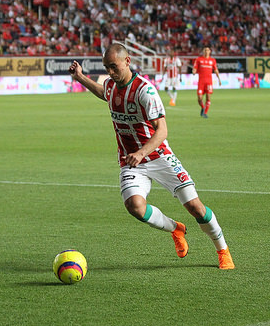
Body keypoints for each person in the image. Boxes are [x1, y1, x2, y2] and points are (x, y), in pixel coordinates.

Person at [69, 43, 234, 270]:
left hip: (158, 156)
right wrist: (80, 77)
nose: (110, 72)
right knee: (135, 206)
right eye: (107, 68)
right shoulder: (111, 86)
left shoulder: (145, 91)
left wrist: (141, 152)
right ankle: (175, 229)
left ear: (127, 61)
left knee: (195, 207)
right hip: (131, 160)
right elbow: (103, 92)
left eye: (114, 67)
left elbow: (162, 130)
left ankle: (222, 249)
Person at [192, 46, 221, 118]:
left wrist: (219, 79)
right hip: (201, 82)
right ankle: (203, 107)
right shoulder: (199, 59)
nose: (206, 51)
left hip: (209, 82)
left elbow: (216, 70)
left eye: (207, 50)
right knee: (199, 98)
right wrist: (194, 71)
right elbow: (195, 68)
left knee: (208, 98)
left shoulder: (212, 60)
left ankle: (205, 113)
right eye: (205, 50)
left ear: (210, 51)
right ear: (203, 51)